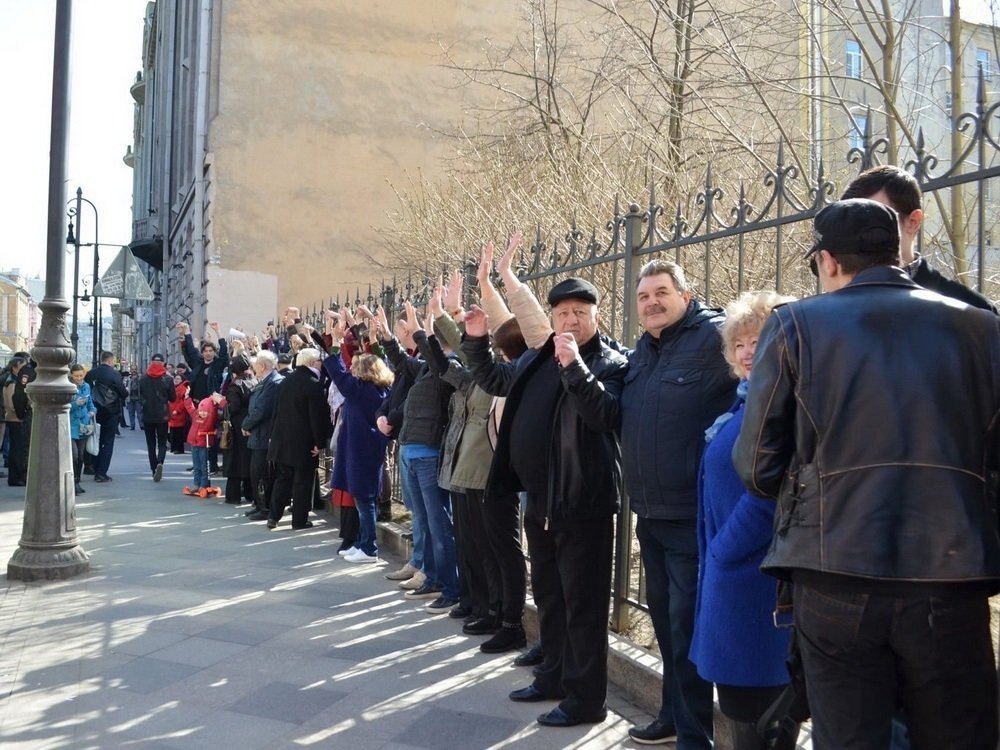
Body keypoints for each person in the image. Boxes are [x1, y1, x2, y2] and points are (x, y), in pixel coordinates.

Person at [734, 198, 1000, 750]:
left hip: (835, 567)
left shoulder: (795, 324)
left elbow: (756, 465)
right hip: (952, 570)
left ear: (828, 260)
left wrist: (817, 492)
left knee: (849, 738)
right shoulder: (983, 327)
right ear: (896, 251)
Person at [463, 276, 627, 729]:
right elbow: (496, 380)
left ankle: (586, 699)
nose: (570, 320)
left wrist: (575, 367)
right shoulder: (537, 358)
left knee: (584, 607)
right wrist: (475, 342)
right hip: (540, 501)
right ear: (552, 317)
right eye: (562, 313)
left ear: (596, 316)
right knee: (551, 599)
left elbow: (605, 416)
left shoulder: (610, 363)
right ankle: (552, 676)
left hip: (582, 504)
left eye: (580, 312)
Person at [619, 260, 736, 748]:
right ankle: (671, 716)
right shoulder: (643, 351)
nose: (651, 303)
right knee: (667, 626)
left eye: (661, 292)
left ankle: (694, 736)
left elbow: (759, 343)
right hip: (649, 513)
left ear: (686, 297)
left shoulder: (714, 336)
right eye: (644, 296)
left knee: (686, 629)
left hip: (690, 515)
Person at [689, 291, 799, 750]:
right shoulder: (746, 403)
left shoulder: (780, 406)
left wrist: (723, 550)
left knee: (762, 718)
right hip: (735, 579)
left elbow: (769, 496)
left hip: (755, 582)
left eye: (759, 340)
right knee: (746, 716)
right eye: (739, 344)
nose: (748, 352)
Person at [841, 164, 997, 312]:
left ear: (913, 222)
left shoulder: (972, 310)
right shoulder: (835, 303)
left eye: (873, 221)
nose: (858, 236)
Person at [325, 322, 393, 562]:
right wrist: (375, 343)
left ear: (364, 371)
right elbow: (382, 361)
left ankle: (369, 548)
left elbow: (336, 372)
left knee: (364, 501)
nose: (351, 370)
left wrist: (335, 344)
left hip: (360, 448)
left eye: (355, 367)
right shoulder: (382, 389)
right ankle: (362, 543)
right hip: (369, 448)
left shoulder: (359, 389)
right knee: (366, 498)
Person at [266, 347, 331, 530]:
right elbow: (317, 417)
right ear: (311, 362)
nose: (321, 364)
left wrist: (272, 437)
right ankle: (299, 521)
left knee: (282, 480)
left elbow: (275, 412)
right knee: (303, 482)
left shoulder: (285, 381)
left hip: (282, 440)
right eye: (319, 361)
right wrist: (319, 443)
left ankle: (273, 516)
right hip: (304, 443)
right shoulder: (312, 384)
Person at [178, 321, 229, 472]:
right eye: (205, 351)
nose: (208, 353)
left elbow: (224, 351)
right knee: (196, 435)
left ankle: (212, 465)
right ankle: (198, 464)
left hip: (210, 406)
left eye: (211, 351)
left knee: (210, 436)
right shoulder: (198, 364)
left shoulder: (217, 365)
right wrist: (187, 331)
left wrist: (218, 332)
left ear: (214, 352)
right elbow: (191, 350)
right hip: (196, 405)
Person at [242, 349, 283, 521]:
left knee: (263, 474)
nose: (254, 368)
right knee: (256, 473)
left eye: (256, 365)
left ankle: (265, 507)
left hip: (265, 435)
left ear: (263, 366)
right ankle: (259, 505)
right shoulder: (265, 381)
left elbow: (262, 409)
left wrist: (246, 424)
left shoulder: (273, 383)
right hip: (258, 435)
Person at [85, 351, 128, 483]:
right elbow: (123, 393)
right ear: (110, 360)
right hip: (111, 411)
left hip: (94, 411)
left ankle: (93, 466)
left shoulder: (91, 373)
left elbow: (86, 390)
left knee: (94, 438)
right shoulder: (114, 374)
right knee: (108, 441)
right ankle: (101, 473)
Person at [222, 352, 255, 505]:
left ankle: (233, 495)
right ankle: (250, 494)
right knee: (248, 460)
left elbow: (233, 407)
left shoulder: (235, 386)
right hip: (251, 425)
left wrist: (222, 404)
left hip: (236, 428)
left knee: (234, 462)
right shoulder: (254, 382)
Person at [139, 353, 176, 482]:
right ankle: (160, 462)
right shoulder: (167, 379)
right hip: (162, 415)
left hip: (148, 415)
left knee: (150, 444)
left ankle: (154, 469)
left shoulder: (143, 378)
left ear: (151, 362)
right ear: (163, 364)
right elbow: (173, 398)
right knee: (162, 443)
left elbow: (139, 396)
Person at [183, 391, 226, 498]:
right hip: (195, 441)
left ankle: (203, 484)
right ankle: (197, 484)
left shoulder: (214, 413)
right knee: (197, 465)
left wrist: (218, 401)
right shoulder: (196, 415)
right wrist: (187, 398)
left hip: (203, 441)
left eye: (204, 411)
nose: (202, 413)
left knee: (203, 465)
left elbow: (221, 415)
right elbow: (190, 408)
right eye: (201, 411)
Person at [68, 363, 96, 496]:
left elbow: (90, 403)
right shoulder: (68, 387)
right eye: (76, 376)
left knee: (81, 456)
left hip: (84, 425)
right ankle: (71, 483)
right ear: (71, 375)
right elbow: (63, 405)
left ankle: (77, 481)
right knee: (74, 455)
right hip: (71, 424)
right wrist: (75, 404)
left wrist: (92, 411)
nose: (79, 378)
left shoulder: (87, 386)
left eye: (81, 375)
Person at [3, 357, 31, 487]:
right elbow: (12, 403)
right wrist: (22, 413)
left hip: (15, 418)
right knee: (17, 449)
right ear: (15, 367)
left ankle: (16, 476)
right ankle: (16, 476)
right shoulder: (12, 382)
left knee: (17, 448)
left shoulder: (13, 380)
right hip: (16, 418)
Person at [168, 375, 190, 454]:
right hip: (172, 412)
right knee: (173, 431)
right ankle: (173, 447)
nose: (176, 380)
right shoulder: (174, 387)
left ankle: (179, 449)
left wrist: (177, 410)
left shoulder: (182, 389)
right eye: (175, 378)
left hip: (178, 413)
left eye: (178, 379)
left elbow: (183, 401)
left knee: (178, 432)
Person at [125, 365, 143, 429]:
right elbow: (125, 387)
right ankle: (132, 426)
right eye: (132, 369)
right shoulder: (128, 378)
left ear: (136, 370)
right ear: (131, 370)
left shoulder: (140, 378)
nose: (134, 371)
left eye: (135, 369)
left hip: (138, 398)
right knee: (131, 413)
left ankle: (141, 425)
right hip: (130, 398)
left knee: (139, 413)